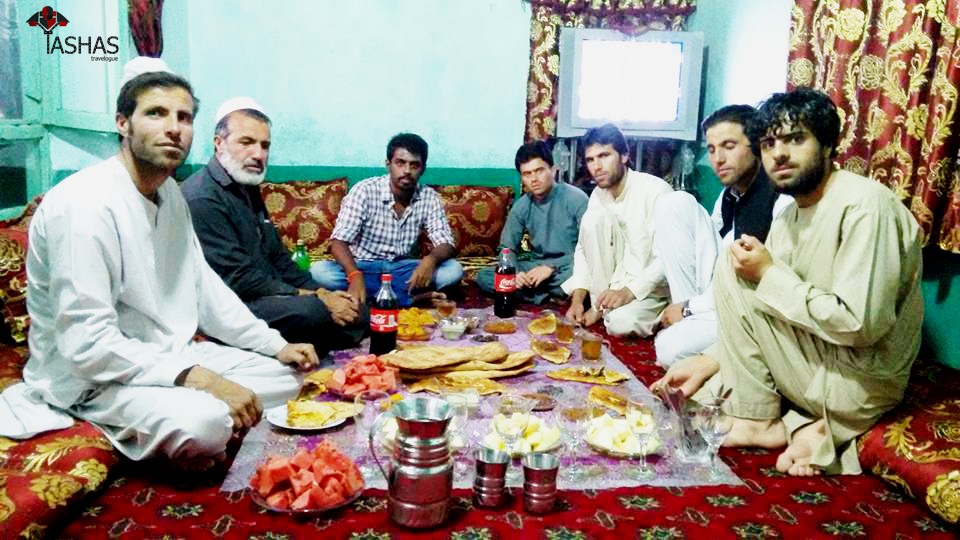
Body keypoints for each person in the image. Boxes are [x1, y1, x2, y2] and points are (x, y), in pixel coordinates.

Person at [0, 58, 319, 474]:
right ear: (123, 123)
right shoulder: (83, 205)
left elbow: (205, 289)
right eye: (156, 113)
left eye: (184, 117)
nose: (174, 128)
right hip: (92, 378)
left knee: (287, 376)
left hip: (169, 354)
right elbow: (86, 343)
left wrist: (274, 344)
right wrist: (203, 380)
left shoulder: (170, 194)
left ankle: (184, 411)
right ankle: (134, 418)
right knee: (204, 422)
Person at [653, 88, 923, 477]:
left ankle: (768, 422)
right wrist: (709, 359)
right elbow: (765, 310)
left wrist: (767, 274)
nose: (778, 154)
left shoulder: (865, 207)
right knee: (696, 396)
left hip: (857, 376)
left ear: (829, 144)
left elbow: (859, 327)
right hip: (814, 361)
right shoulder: (790, 215)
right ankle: (800, 425)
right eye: (768, 143)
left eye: (796, 139)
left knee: (739, 269)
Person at [182, 97, 367, 358]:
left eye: (265, 145)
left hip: (268, 295)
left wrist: (325, 292)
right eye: (246, 142)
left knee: (357, 307)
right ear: (218, 143)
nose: (258, 154)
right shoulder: (202, 197)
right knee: (315, 313)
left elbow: (280, 261)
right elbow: (238, 279)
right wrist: (319, 299)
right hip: (230, 304)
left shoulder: (247, 187)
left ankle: (319, 336)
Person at [655, 105, 792, 367]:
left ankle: (688, 319)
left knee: (669, 349)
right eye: (711, 149)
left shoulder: (780, 198)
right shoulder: (730, 194)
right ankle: (688, 318)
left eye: (729, 146)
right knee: (674, 203)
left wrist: (689, 308)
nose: (717, 158)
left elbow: (764, 284)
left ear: (757, 146)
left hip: (751, 305)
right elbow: (712, 245)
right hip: (715, 295)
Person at [562, 123, 712, 338]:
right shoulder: (597, 194)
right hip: (614, 285)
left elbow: (668, 258)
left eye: (604, 156)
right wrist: (578, 300)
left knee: (620, 324)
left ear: (624, 156)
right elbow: (584, 251)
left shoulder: (655, 191)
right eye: (590, 160)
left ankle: (666, 313)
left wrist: (628, 292)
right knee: (593, 220)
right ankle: (600, 306)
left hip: (654, 290)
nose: (597, 166)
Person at [311, 133, 464, 307]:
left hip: (403, 269)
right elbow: (338, 242)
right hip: (364, 267)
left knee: (453, 271)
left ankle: (375, 297)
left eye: (414, 165)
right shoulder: (364, 191)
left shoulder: (429, 197)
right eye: (400, 163)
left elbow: (446, 243)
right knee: (320, 272)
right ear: (388, 164)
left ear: (423, 169)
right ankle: (411, 299)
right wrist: (354, 275)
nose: (407, 171)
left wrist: (430, 261)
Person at [476, 141, 588, 304]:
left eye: (539, 171)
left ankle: (534, 294)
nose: (534, 179)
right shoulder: (521, 206)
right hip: (535, 267)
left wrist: (551, 268)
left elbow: (590, 251)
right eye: (527, 174)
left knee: (587, 274)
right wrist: (514, 273)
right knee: (483, 276)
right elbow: (507, 249)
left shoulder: (576, 199)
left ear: (553, 169)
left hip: (569, 265)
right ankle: (552, 295)